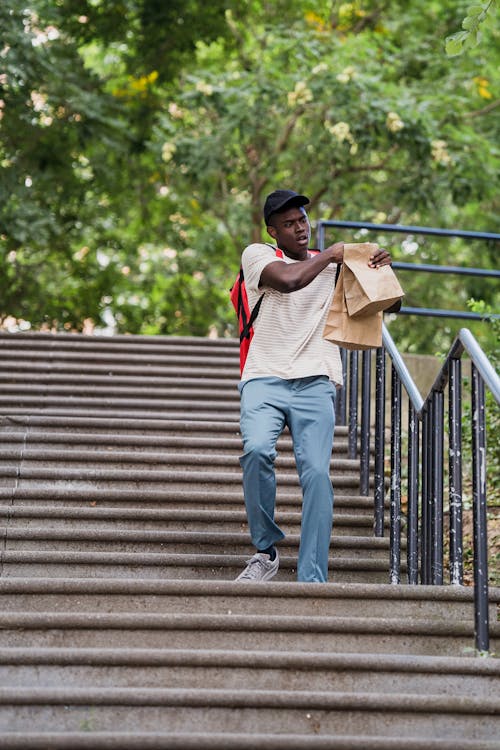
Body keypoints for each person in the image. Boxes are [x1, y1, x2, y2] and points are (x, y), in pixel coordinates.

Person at [235, 189, 393, 583]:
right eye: (289, 224)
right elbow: (289, 281)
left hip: (316, 380)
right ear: (273, 231)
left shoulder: (335, 266)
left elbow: (390, 305)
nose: (300, 229)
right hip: (264, 376)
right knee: (256, 450)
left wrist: (381, 269)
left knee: (318, 476)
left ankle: (311, 575)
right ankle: (266, 551)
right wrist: (333, 255)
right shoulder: (258, 256)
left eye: (302, 220)